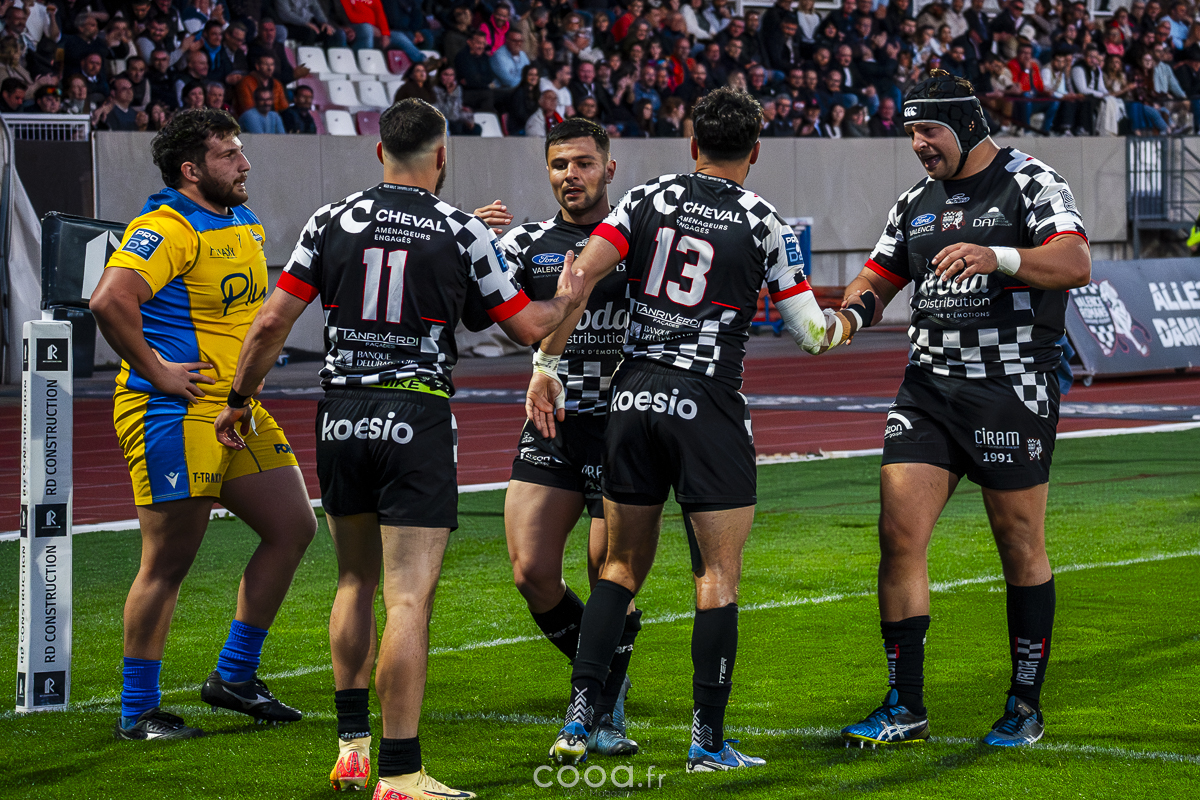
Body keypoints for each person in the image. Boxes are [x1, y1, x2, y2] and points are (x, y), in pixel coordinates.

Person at [214, 96, 585, 799]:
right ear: (441, 156)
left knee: (353, 582)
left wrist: (240, 398)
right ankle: (402, 771)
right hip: (414, 415)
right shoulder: (459, 229)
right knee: (409, 599)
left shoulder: (330, 219)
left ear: (379, 151)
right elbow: (527, 327)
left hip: (341, 415)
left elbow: (269, 324)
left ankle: (352, 748)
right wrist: (567, 297)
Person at [537, 87, 874, 772]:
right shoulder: (763, 221)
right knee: (716, 575)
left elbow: (579, 277)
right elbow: (812, 333)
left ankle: (581, 715)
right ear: (755, 151)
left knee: (619, 568)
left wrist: (546, 363)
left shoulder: (645, 199)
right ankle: (707, 743)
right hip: (706, 402)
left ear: (693, 145)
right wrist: (856, 316)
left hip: (632, 395)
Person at [838, 70, 1090, 750]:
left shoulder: (1031, 181)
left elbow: (1075, 262)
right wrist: (849, 315)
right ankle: (905, 707)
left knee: (1019, 542)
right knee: (898, 536)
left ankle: (1024, 705)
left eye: (929, 130)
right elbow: (878, 275)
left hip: (1010, 388)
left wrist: (997, 256)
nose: (918, 144)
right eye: (911, 132)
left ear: (967, 125)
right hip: (928, 390)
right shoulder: (915, 202)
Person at [89, 108, 317, 741]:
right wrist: (158, 371)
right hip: (173, 410)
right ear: (191, 170)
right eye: (229, 155)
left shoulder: (241, 220)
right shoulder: (165, 227)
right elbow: (109, 300)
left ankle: (234, 678)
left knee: (293, 527)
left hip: (234, 407)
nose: (245, 163)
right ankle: (138, 712)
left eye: (241, 151)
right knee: (167, 562)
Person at [470, 118, 644, 759]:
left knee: (608, 575)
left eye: (583, 163)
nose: (571, 175)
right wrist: (472, 244)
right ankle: (602, 677)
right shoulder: (526, 243)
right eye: (559, 164)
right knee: (531, 571)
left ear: (609, 169)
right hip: (551, 421)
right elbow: (474, 310)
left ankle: (601, 706)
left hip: (623, 425)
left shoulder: (640, 237)